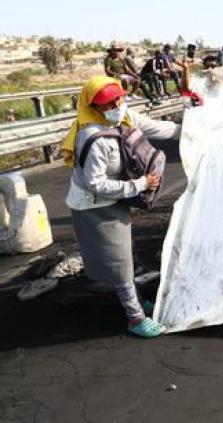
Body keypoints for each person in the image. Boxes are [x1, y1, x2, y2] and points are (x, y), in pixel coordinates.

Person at [61, 76, 182, 337]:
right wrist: (140, 184)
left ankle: (136, 302)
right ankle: (135, 318)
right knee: (119, 263)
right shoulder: (92, 137)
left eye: (119, 99)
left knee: (125, 255)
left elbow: (160, 128)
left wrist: (197, 129)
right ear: (93, 107)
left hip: (116, 200)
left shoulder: (124, 118)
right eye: (108, 103)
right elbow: (96, 184)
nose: (116, 106)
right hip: (94, 207)